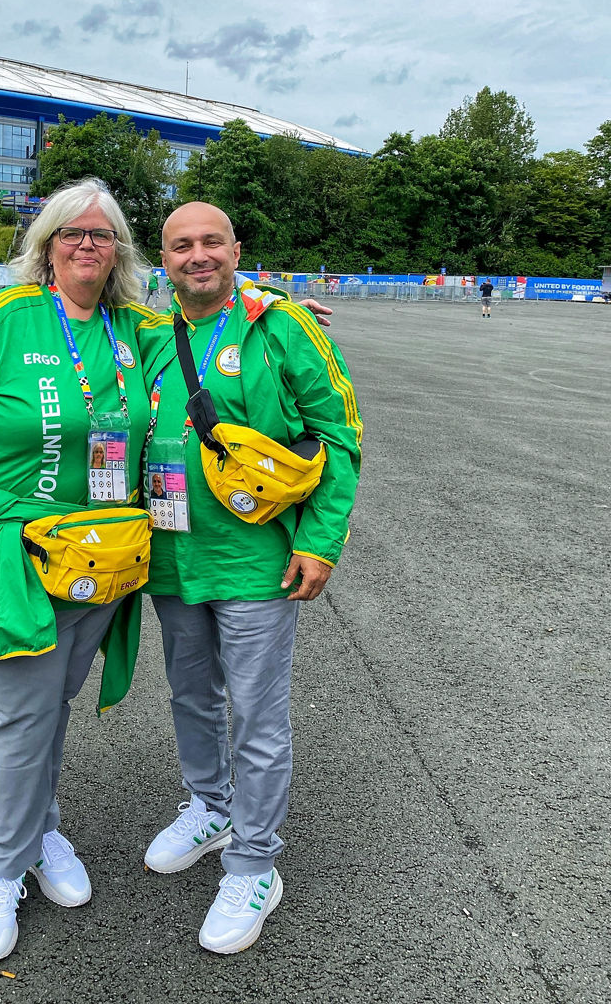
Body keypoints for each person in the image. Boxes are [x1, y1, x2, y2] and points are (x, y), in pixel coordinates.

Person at [0, 179, 152, 962]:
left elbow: (209, 309)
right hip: (15, 556)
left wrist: (269, 303)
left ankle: (42, 832)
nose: (88, 244)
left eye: (103, 234)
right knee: (19, 717)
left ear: (119, 250)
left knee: (52, 707)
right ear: (47, 245)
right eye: (72, 232)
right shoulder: (4, 319)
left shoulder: (130, 328)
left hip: (98, 561)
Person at [135, 202, 362, 955]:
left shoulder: (279, 326)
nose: (197, 256)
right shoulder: (144, 333)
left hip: (257, 561)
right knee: (189, 694)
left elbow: (340, 434)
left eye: (211, 243)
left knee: (259, 716)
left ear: (236, 249)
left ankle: (255, 862)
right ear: (162, 259)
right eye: (180, 246)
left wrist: (322, 542)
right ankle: (210, 804)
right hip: (171, 557)